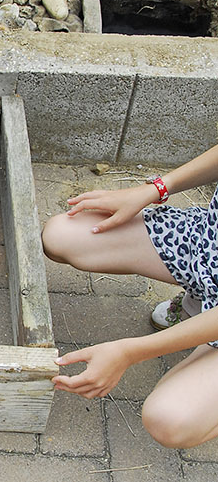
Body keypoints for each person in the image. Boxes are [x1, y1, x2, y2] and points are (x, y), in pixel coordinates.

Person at [41, 143, 218, 448]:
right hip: (207, 244)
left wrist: (130, 352)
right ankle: (199, 301)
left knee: (171, 419)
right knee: (62, 233)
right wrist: (155, 189)